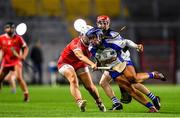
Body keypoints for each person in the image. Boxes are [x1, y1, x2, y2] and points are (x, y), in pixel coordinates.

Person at [86, 27, 166, 112]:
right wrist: (96, 65)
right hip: (112, 70)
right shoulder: (91, 48)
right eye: (90, 38)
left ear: (99, 36)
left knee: (133, 79)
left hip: (122, 63)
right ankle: (151, 107)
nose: (91, 40)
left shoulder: (110, 42)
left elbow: (126, 42)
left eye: (93, 37)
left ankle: (153, 74)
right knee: (130, 90)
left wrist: (136, 46)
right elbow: (99, 59)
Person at [57, 26, 106, 112]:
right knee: (73, 78)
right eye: (90, 36)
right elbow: (80, 56)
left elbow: (99, 56)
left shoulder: (93, 44)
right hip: (65, 63)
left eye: (94, 36)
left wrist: (97, 63)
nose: (93, 38)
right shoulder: (76, 43)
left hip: (80, 64)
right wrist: (91, 64)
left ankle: (99, 102)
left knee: (90, 87)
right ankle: (79, 102)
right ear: (82, 35)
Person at [0, 22, 29, 102]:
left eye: (12, 27)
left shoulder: (18, 38)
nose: (10, 29)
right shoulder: (1, 38)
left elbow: (25, 48)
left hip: (16, 61)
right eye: (8, 27)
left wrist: (23, 56)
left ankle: (26, 94)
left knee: (19, 77)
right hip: (6, 62)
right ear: (5, 29)